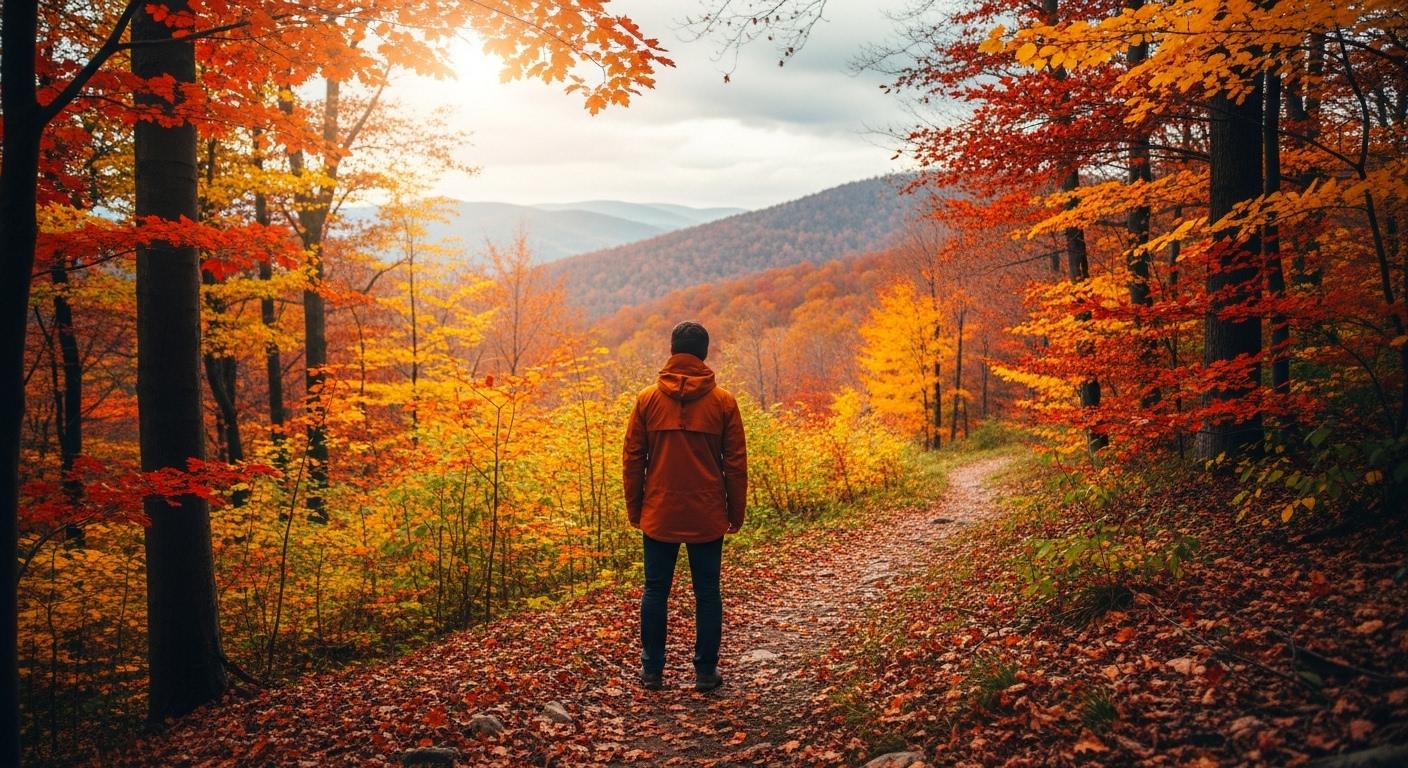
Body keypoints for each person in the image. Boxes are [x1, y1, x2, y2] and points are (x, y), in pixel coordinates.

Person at [623, 321, 747, 692]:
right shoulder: (723, 402)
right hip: (707, 513)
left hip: (659, 511)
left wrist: (636, 510)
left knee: (655, 589)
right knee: (707, 591)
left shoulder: (647, 400)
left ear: (672, 350)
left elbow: (632, 459)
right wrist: (734, 513)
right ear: (704, 353)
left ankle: (652, 671)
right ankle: (706, 672)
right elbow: (736, 463)